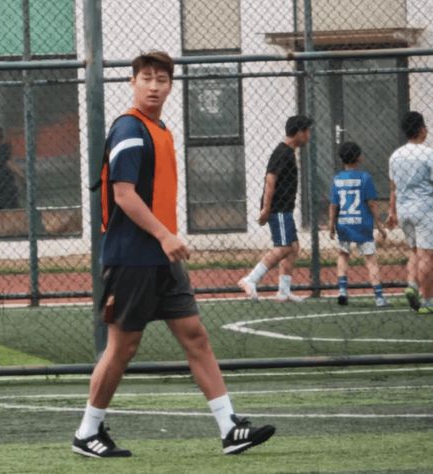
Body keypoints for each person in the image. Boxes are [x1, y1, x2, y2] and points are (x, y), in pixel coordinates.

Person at [71, 51, 275, 459]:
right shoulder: (129, 128)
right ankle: (87, 433)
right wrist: (165, 236)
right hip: (133, 258)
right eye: (146, 78)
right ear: (132, 82)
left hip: (163, 258)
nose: (153, 86)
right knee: (122, 348)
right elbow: (123, 195)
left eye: (161, 79)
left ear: (170, 86)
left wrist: (166, 242)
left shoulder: (160, 129)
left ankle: (229, 428)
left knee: (195, 336)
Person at [238, 115, 312, 302]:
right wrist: (266, 208)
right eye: (307, 131)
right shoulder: (282, 152)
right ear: (298, 132)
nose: (308, 135)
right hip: (278, 209)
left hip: (284, 209)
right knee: (284, 247)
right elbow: (270, 179)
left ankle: (284, 291)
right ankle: (250, 279)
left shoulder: (288, 152)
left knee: (293, 247)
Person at [328, 142, 388, 307]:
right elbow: (372, 203)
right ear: (359, 157)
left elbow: (333, 205)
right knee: (370, 259)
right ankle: (379, 297)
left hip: (344, 223)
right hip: (362, 224)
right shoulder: (365, 177)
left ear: (342, 159)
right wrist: (379, 225)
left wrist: (331, 224)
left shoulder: (337, 179)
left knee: (343, 254)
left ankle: (342, 290)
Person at [386, 111, 433, 314]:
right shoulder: (428, 153)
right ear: (422, 129)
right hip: (425, 209)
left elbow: (393, 187)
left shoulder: (395, 156)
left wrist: (392, 211)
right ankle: (428, 301)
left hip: (404, 209)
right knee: (427, 256)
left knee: (414, 251)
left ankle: (412, 285)